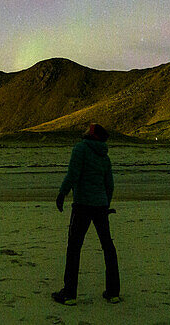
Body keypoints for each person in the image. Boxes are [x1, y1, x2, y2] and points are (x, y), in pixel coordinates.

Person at [51, 123, 121, 305]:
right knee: (108, 247)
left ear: (91, 135)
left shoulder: (81, 149)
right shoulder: (104, 156)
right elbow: (109, 184)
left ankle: (69, 293)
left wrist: (62, 193)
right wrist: (106, 203)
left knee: (74, 247)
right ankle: (113, 292)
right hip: (100, 206)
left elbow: (73, 173)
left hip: (82, 205)